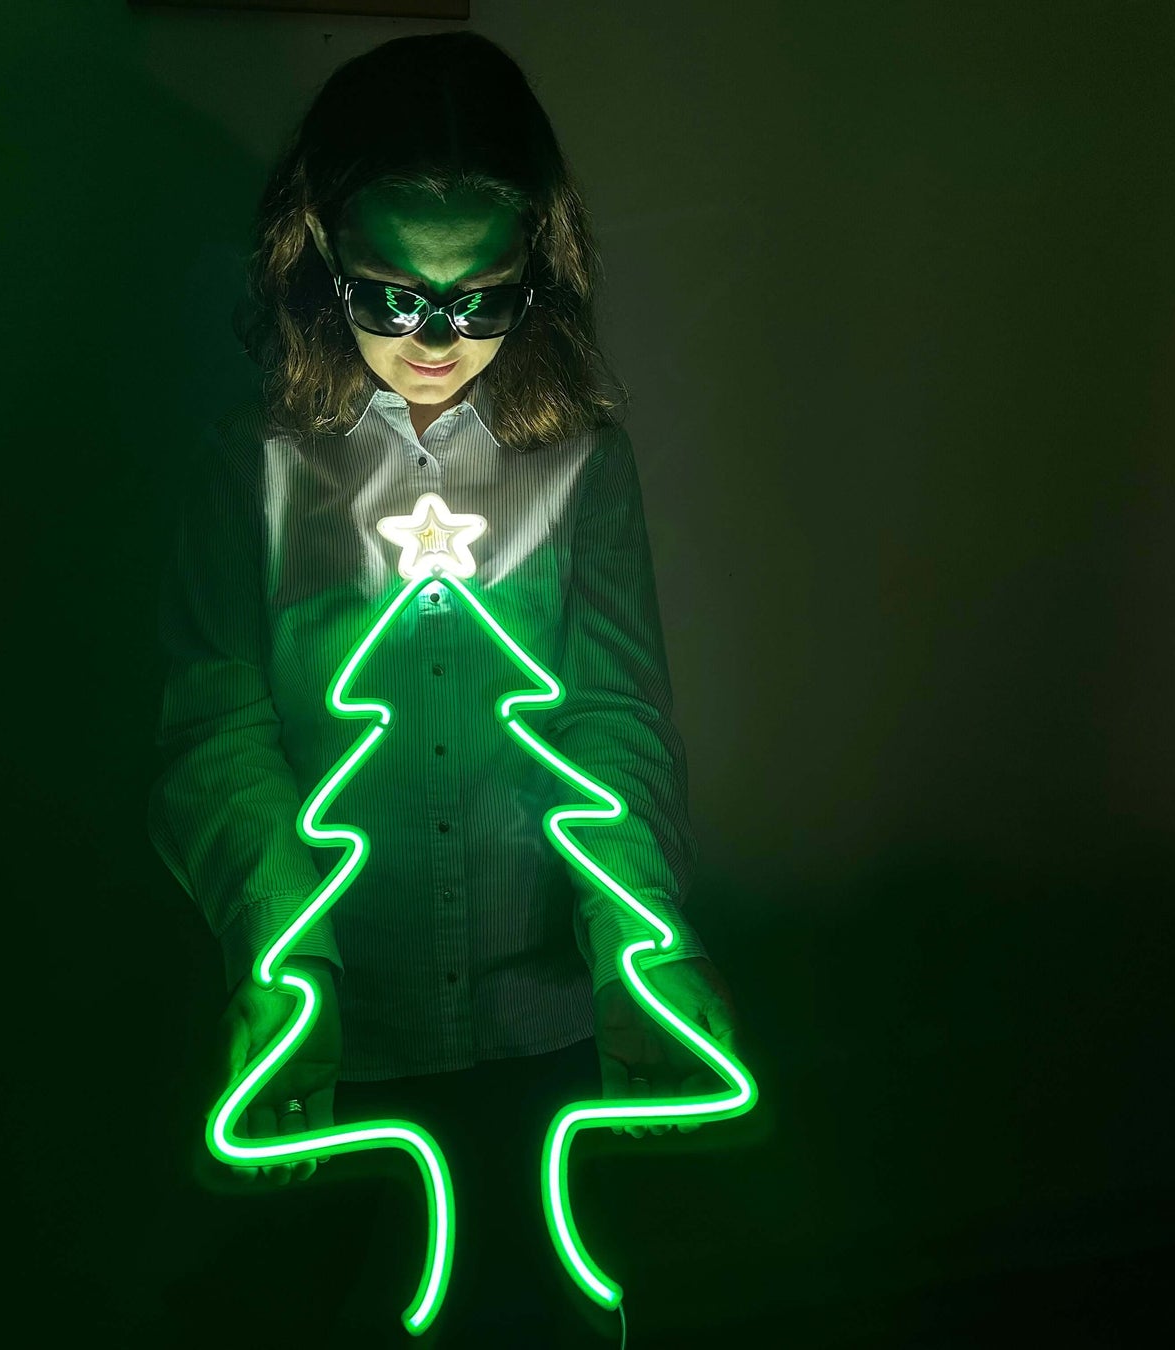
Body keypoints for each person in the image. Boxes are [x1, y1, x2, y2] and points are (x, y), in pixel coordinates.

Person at [147, 31, 741, 1348]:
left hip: (543, 1007)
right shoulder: (255, 471)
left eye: (482, 298)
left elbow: (616, 713)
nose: (436, 338)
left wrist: (643, 943)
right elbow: (217, 732)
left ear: (539, 268)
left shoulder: (578, 464)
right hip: (342, 1012)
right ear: (317, 254)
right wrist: (285, 960)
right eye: (392, 294)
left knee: (542, 1300)